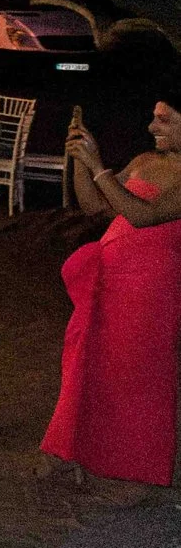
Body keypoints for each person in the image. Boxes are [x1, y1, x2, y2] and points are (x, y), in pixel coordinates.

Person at [40, 96, 181, 486]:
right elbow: (95, 207)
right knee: (85, 363)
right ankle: (72, 451)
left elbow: (143, 215)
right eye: (153, 119)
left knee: (136, 374)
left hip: (151, 284)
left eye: (165, 121)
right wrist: (81, 162)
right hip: (109, 275)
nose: (153, 128)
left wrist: (98, 166)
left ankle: (132, 468)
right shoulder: (144, 161)